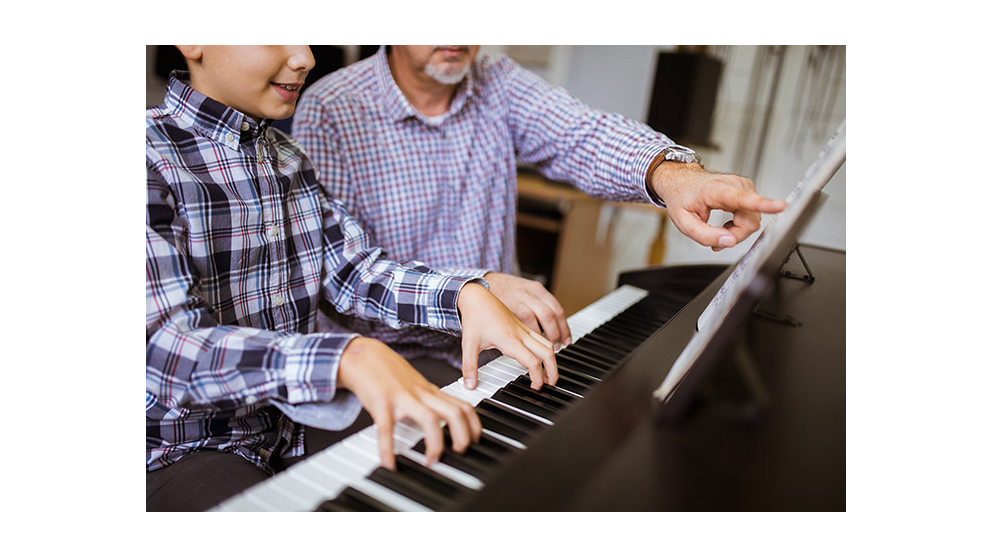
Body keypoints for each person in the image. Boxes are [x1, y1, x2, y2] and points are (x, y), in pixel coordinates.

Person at [146, 45, 557, 511]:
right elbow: (166, 348)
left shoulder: (286, 158)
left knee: (464, 467)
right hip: (181, 451)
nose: (304, 58)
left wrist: (465, 294)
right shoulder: (152, 158)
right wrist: (349, 358)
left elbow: (353, 271)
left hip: (289, 429)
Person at [292, 45, 787, 388]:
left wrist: (677, 177)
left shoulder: (497, 80)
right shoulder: (331, 107)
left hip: (499, 343)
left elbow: (581, 135)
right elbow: (343, 274)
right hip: (395, 354)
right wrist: (477, 288)